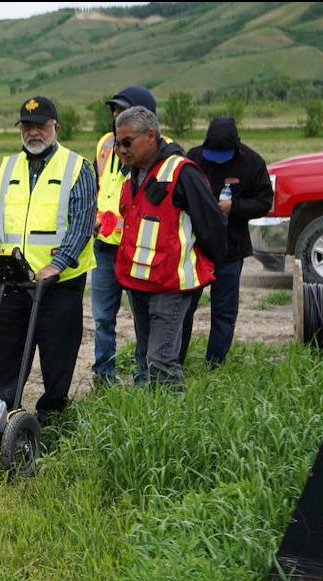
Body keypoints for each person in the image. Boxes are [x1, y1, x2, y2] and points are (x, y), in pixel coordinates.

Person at [0, 95, 97, 425]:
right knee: (4, 353)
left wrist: (58, 265)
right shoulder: (6, 167)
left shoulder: (77, 167)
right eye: (27, 126)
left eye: (41, 126)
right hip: (12, 280)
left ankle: (51, 416)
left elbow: (83, 221)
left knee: (57, 354)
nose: (34, 133)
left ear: (55, 128)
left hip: (58, 284)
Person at [113, 106, 226, 387]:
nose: (120, 149)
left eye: (127, 142)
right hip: (139, 283)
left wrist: (205, 268)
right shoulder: (132, 176)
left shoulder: (182, 172)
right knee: (145, 355)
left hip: (170, 286)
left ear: (150, 136)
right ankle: (152, 417)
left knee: (161, 361)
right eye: (117, 142)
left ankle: (174, 422)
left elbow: (212, 226)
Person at [180, 116, 273, 367]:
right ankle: (175, 360)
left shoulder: (252, 162)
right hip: (195, 251)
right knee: (184, 309)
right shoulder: (194, 158)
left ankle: (215, 363)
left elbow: (265, 202)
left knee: (223, 312)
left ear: (236, 147)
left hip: (231, 251)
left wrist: (235, 207)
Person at [91, 86, 163, 386]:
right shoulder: (106, 145)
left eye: (123, 111)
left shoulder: (161, 150)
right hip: (106, 247)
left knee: (143, 320)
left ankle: (143, 376)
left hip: (140, 250)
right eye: (114, 111)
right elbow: (99, 185)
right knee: (102, 317)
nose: (116, 117)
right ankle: (103, 375)